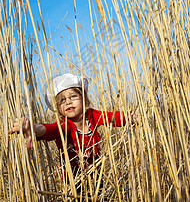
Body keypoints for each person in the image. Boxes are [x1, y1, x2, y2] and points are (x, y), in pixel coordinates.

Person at [10, 73, 138, 178]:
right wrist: (33, 128)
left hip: (97, 177)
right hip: (74, 182)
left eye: (73, 96)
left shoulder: (92, 115)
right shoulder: (65, 125)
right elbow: (49, 129)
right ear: (57, 108)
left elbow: (112, 117)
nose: (68, 102)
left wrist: (131, 116)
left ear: (84, 98)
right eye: (62, 100)